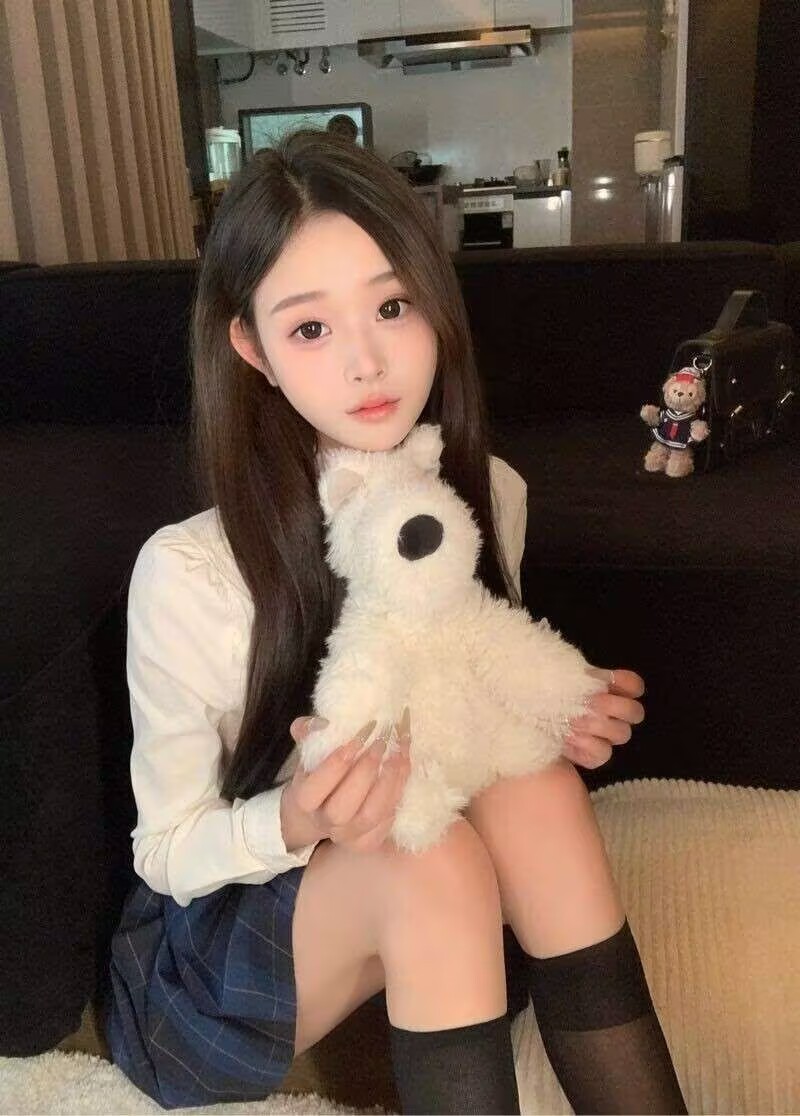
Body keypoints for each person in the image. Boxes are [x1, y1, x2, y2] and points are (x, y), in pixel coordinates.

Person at [104, 128, 687, 1115]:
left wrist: (557, 712)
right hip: (216, 948)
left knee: (538, 787)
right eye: (309, 328)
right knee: (425, 857)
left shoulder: (487, 491)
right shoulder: (191, 571)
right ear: (250, 348)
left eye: (391, 305)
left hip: (413, 893)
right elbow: (165, 852)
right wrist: (298, 818)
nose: (367, 363)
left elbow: (467, 687)